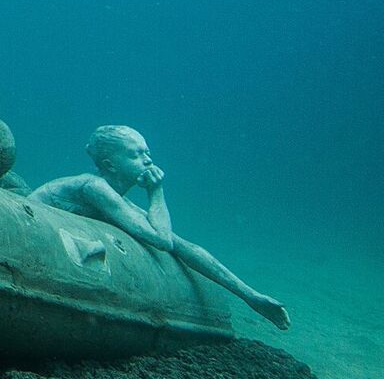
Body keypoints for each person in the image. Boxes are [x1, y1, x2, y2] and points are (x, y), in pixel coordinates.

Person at [30, 126, 289, 329]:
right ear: (110, 165)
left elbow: (180, 245)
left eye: (147, 152)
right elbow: (162, 241)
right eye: (136, 154)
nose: (147, 160)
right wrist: (156, 192)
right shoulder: (94, 188)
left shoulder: (118, 200)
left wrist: (250, 296)